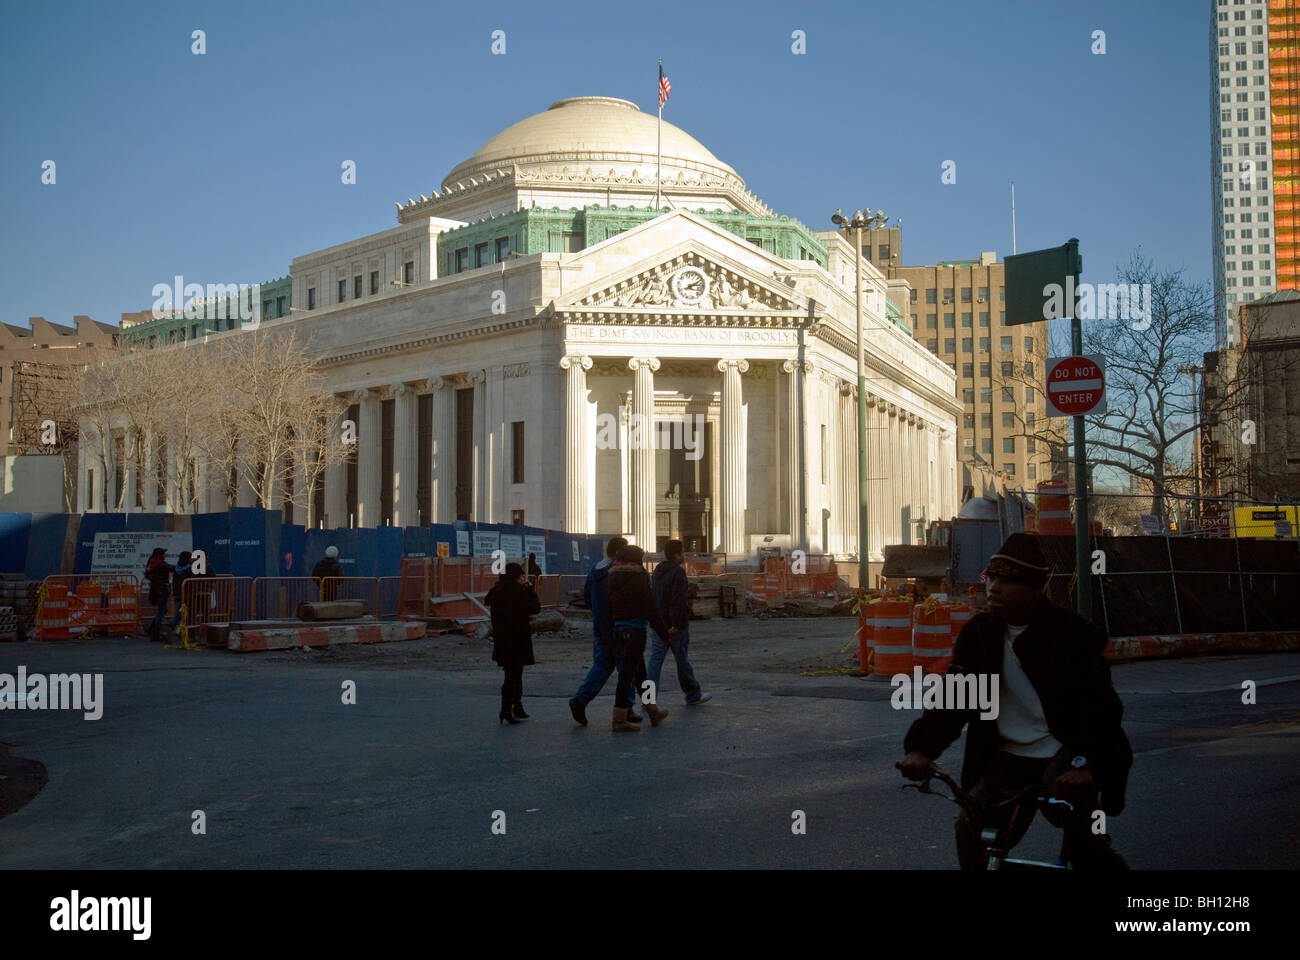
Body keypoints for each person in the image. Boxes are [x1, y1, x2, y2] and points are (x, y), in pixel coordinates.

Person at [898, 533, 1131, 870]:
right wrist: (921, 749)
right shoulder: (980, 633)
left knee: (1085, 846)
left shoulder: (1071, 634)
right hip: (1007, 756)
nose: (995, 587)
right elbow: (954, 701)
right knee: (970, 830)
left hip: (1064, 751)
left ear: (1035, 590)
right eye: (992, 578)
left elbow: (1101, 711)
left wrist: (1086, 764)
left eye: (1008, 581)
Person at [569, 537, 642, 726]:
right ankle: (630, 709)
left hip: (600, 627)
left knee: (602, 666)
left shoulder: (595, 570)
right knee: (628, 670)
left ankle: (581, 699)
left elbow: (587, 597)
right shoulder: (619, 572)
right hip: (621, 627)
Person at [607, 544, 670, 732]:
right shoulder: (640, 576)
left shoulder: (613, 576)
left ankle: (652, 711)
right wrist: (664, 633)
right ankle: (618, 719)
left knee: (640, 674)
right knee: (627, 676)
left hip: (619, 629)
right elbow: (650, 606)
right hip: (636, 630)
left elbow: (608, 605)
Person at [649, 539, 710, 705]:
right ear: (677, 554)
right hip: (675, 627)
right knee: (682, 661)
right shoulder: (678, 573)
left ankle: (649, 699)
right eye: (682, 552)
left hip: (658, 624)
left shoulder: (657, 571)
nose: (684, 555)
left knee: (654, 663)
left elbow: (655, 598)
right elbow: (677, 601)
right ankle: (692, 695)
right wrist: (676, 624)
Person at [485, 562, 540, 725]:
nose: (523, 578)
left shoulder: (496, 591)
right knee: (513, 675)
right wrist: (530, 589)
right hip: (517, 638)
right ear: (516, 576)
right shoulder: (517, 591)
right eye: (521, 575)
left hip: (502, 639)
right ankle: (507, 709)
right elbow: (535, 608)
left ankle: (516, 707)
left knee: (513, 673)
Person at [165, 551, 197, 645]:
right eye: (190, 558)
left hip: (178, 595)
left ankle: (176, 633)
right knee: (187, 616)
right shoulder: (189, 570)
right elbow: (192, 583)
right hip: (188, 596)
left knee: (179, 615)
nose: (192, 559)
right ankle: (170, 633)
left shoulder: (176, 569)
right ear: (187, 559)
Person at [143, 548, 174, 643]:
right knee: (162, 611)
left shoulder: (151, 563)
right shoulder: (160, 564)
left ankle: (151, 629)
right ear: (159, 555)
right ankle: (155, 633)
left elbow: (147, 575)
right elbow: (172, 568)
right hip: (161, 590)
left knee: (163, 610)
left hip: (154, 589)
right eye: (163, 554)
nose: (164, 556)